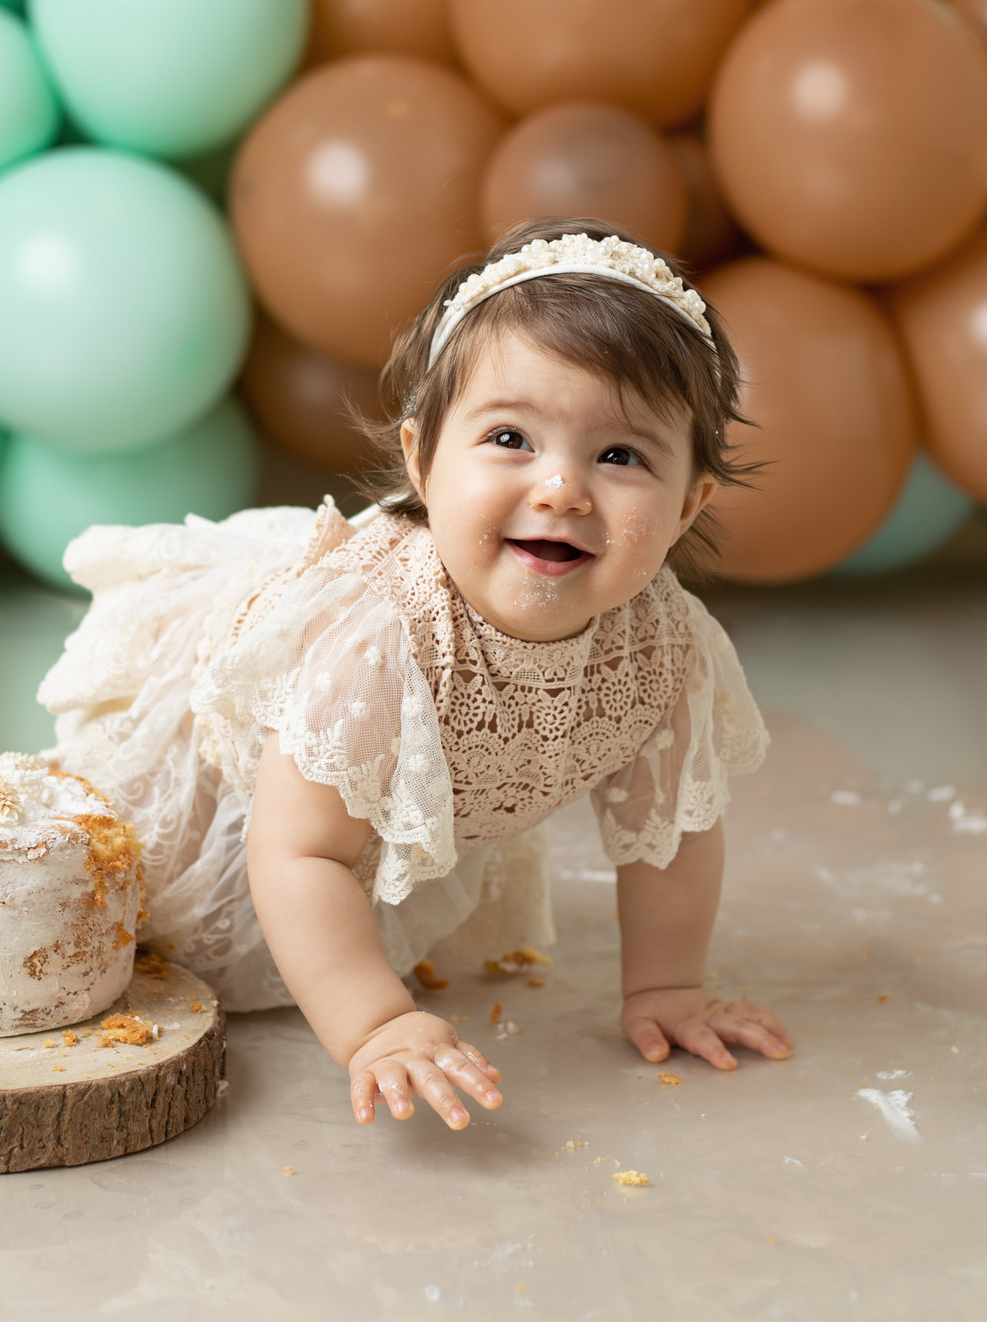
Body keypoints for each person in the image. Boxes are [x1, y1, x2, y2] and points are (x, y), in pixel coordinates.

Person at [40, 218, 792, 1130]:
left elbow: (670, 835)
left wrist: (669, 983)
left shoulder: (666, 647)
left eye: (621, 456)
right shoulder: (378, 639)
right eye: (511, 438)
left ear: (688, 505)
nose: (561, 489)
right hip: (252, 799)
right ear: (422, 460)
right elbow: (300, 851)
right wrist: (376, 1024)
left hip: (387, 787)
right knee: (150, 924)